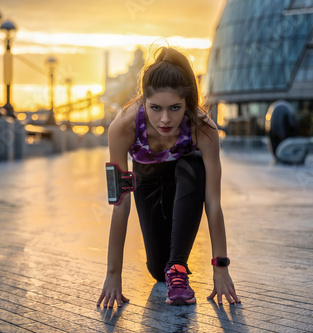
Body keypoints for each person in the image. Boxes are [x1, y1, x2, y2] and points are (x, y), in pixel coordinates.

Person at [96, 46, 241, 308]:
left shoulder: (203, 128)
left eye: (175, 108)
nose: (165, 119)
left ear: (187, 104)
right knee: (156, 269)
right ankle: (168, 265)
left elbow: (214, 202)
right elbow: (119, 203)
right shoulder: (122, 126)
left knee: (194, 163)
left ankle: (178, 267)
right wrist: (113, 275)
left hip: (186, 183)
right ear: (144, 101)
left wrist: (221, 267)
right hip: (147, 183)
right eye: (155, 108)